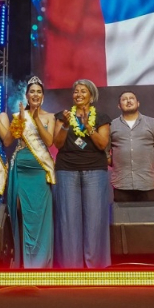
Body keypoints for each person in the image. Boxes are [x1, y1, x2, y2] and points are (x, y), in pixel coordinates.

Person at [53, 79, 112, 269]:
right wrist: (65, 125)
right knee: (69, 220)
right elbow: (57, 144)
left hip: (95, 170)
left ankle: (95, 267)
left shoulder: (101, 117)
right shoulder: (63, 116)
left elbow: (102, 144)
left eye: (83, 91)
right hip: (66, 169)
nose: (78, 94)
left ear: (91, 96)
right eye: (76, 91)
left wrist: (88, 127)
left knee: (94, 219)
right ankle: (72, 268)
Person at [7, 77, 57, 268]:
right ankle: (25, 263)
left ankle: (42, 263)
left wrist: (35, 118)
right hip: (21, 170)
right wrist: (20, 121)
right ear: (26, 95)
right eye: (32, 91)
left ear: (43, 96)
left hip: (40, 171)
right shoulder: (18, 115)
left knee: (41, 216)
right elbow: (9, 140)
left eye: (39, 92)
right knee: (24, 216)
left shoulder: (49, 117)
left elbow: (49, 142)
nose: (35, 94)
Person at [108, 91, 154, 202]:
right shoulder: (112, 125)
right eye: (124, 99)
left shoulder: (152, 123)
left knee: (149, 213)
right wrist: (116, 163)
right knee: (123, 214)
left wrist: (150, 163)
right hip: (122, 183)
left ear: (138, 103)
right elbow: (105, 152)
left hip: (148, 182)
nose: (128, 101)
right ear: (119, 106)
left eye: (131, 98)